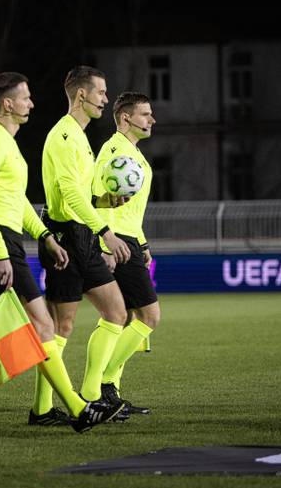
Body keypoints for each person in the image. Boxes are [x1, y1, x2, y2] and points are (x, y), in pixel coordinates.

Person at [0, 72, 122, 434]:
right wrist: (0, 254)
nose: (31, 103)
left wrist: (45, 236)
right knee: (43, 325)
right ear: (8, 103)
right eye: (25, 97)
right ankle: (77, 408)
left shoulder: (8, 143)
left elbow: (17, 201)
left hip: (1, 241)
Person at [33, 66, 130, 419]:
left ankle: (92, 393)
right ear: (81, 95)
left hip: (84, 236)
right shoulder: (63, 136)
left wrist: (105, 201)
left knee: (116, 312)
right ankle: (42, 409)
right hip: (65, 238)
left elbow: (84, 194)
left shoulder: (79, 136)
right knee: (61, 327)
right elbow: (69, 194)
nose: (105, 98)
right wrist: (105, 230)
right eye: (101, 93)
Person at [93, 92, 157, 418]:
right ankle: (102, 385)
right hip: (117, 244)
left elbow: (131, 211)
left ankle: (111, 393)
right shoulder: (114, 151)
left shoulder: (134, 154)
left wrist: (142, 244)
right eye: (146, 114)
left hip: (129, 241)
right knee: (149, 316)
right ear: (126, 118)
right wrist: (106, 245)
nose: (152, 120)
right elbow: (96, 198)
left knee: (126, 318)